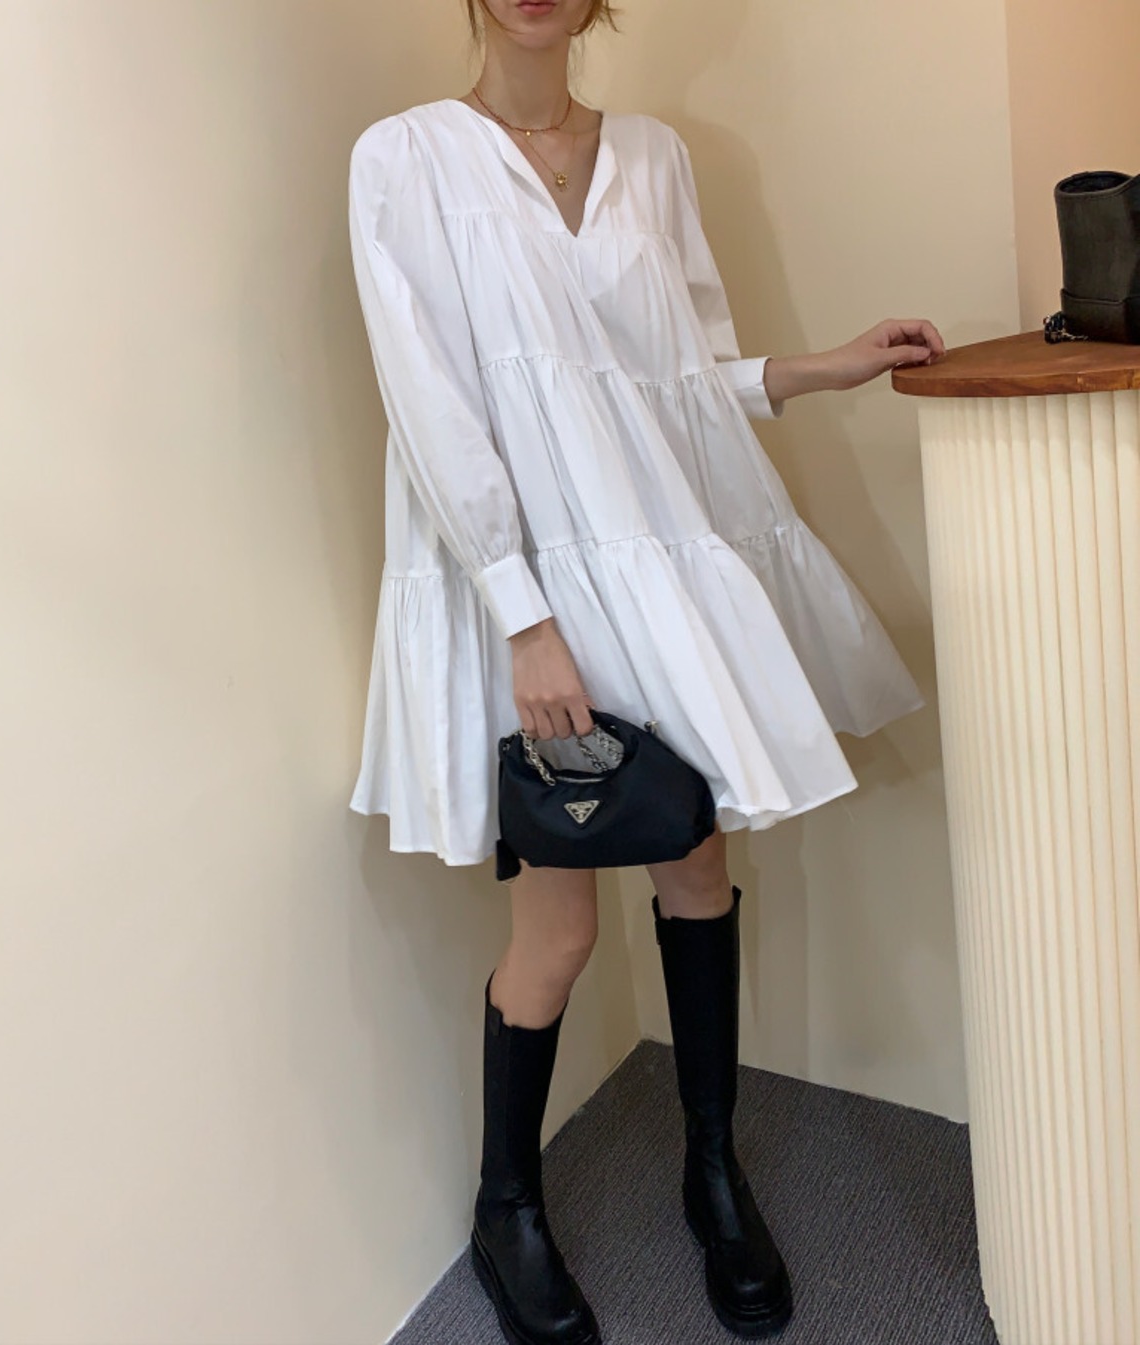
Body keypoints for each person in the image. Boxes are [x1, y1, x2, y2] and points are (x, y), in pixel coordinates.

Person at [345, 2, 944, 1340]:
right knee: (556, 930)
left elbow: (678, 380)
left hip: (657, 563)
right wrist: (523, 617)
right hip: (532, 588)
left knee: (696, 868)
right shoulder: (406, 155)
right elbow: (429, 404)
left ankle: (712, 1170)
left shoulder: (656, 157)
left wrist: (825, 368)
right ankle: (506, 1204)